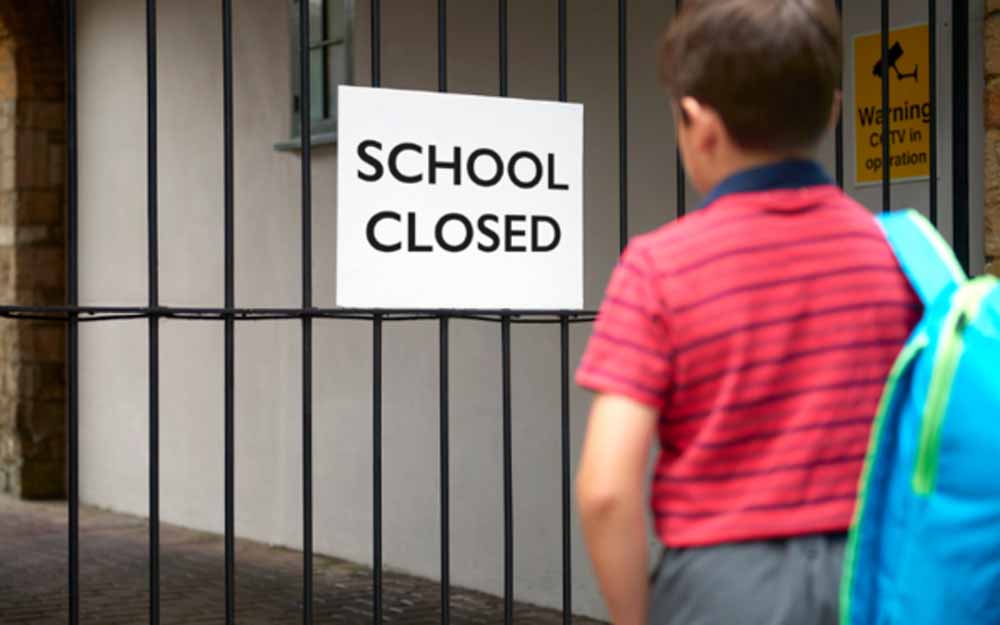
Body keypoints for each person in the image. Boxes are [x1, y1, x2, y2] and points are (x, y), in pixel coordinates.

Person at [574, 2, 922, 624]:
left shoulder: (659, 268)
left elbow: (605, 490)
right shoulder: (902, 255)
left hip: (721, 588)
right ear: (832, 111)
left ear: (697, 123)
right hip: (874, 579)